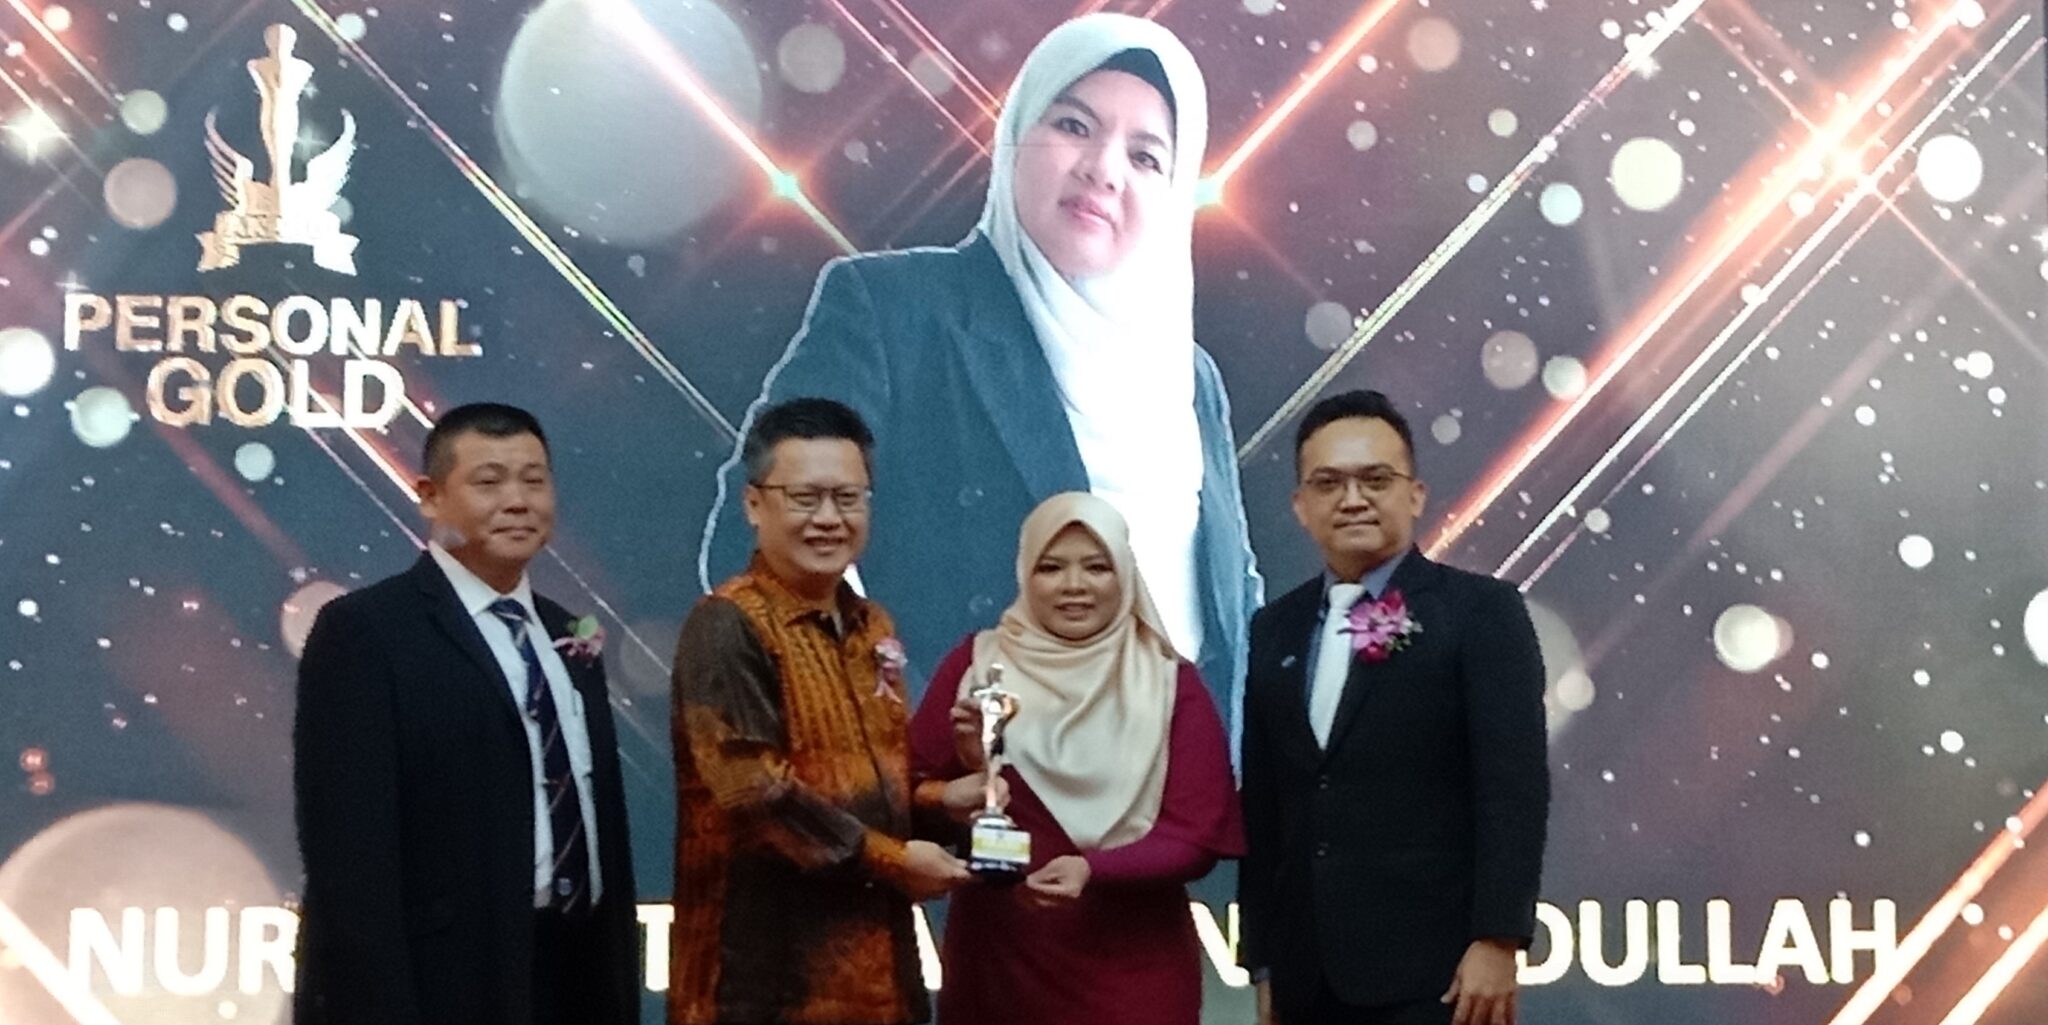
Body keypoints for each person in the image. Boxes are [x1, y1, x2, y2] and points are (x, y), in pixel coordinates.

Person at [698, 13, 1262, 755]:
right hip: (974, 796)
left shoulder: (1189, 377)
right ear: (1017, 133)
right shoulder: (897, 309)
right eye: (1074, 125)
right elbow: (761, 532)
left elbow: (1229, 602)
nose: (1104, 169)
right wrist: (919, 742)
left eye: (1147, 156)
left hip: (1172, 802)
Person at [292, 403, 638, 1025]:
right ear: (430, 497)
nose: (517, 502)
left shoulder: (568, 632)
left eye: (534, 481)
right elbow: (349, 857)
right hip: (444, 982)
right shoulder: (367, 631)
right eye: (489, 482)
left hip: (574, 973)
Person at [1237, 391, 1550, 1025]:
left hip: (1437, 976)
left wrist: (1498, 939)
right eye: (1329, 483)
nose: (1352, 499)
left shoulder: (1480, 612)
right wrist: (1263, 964)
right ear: (1300, 506)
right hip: (1306, 978)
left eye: (1375, 480)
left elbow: (1512, 789)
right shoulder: (1274, 627)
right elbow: (1266, 810)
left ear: (1415, 495)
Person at [670, 397, 986, 1025]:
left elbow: (869, 787)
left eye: (848, 498)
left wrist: (942, 802)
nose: (828, 519)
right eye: (805, 498)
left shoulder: (872, 626)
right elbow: (757, 795)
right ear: (754, 504)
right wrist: (896, 861)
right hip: (762, 987)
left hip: (880, 983)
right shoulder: (728, 624)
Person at [909, 491, 1242, 1025]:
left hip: (1133, 973)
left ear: (1125, 573)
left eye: (1096, 567)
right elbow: (904, 798)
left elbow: (1197, 838)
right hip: (999, 966)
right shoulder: (976, 665)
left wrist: (1095, 868)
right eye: (1051, 567)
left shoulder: (1169, 682)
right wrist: (954, 789)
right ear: (1024, 572)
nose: (1074, 585)